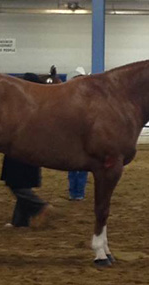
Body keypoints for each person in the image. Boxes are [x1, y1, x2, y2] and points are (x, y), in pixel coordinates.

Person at [0, 72, 50, 227]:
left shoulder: (22, 104)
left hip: (19, 148)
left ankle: (40, 206)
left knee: (16, 185)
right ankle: (20, 221)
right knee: (22, 184)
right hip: (32, 150)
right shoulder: (41, 104)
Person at [66, 67, 88, 201]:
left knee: (75, 167)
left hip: (76, 138)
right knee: (78, 168)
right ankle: (77, 192)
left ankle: (75, 192)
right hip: (79, 138)